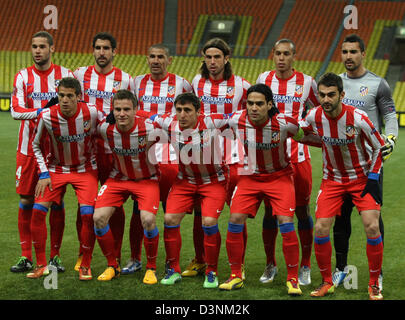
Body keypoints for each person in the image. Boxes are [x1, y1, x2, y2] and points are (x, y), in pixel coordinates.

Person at [299, 72, 385, 300]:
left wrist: (374, 177)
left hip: (361, 179)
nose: (326, 99)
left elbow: (379, 146)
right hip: (332, 180)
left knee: (372, 227)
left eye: (331, 95)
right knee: (320, 228)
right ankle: (327, 281)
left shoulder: (357, 117)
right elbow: (300, 132)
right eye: (322, 95)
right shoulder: (314, 116)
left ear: (342, 95)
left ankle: (374, 282)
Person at [218, 83, 304, 296]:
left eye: (259, 104)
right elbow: (212, 125)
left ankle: (293, 279)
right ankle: (236, 275)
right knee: (235, 220)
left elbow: (307, 136)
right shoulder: (237, 119)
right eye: (250, 103)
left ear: (269, 105)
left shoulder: (284, 124)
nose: (254, 108)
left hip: (279, 177)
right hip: (251, 177)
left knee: (286, 223)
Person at [332, 34, 398, 289]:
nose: (348, 56)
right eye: (345, 51)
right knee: (340, 218)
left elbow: (390, 116)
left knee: (373, 219)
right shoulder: (335, 83)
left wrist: (390, 138)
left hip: (369, 164)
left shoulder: (378, 84)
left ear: (363, 54)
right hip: (339, 164)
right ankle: (340, 269)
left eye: (353, 52)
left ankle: (376, 273)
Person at [121, 44, 192, 275]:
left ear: (169, 60)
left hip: (171, 155)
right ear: (147, 58)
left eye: (161, 56)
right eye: (152, 56)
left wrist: (153, 117)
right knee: (138, 210)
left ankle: (172, 262)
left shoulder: (181, 83)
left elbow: (185, 116)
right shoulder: (136, 82)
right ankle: (135, 257)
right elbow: (131, 111)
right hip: (144, 154)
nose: (156, 60)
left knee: (170, 211)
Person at [256, 39, 319, 285]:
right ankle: (270, 264)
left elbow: (317, 109)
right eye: (277, 53)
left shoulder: (307, 82)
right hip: (271, 156)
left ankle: (304, 265)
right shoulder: (264, 77)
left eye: (286, 54)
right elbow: (255, 107)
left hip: (299, 154)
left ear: (294, 56)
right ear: (273, 55)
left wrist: (306, 127)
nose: (281, 58)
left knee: (302, 211)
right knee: (270, 212)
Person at [10, 31, 73, 274]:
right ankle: (26, 256)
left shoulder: (65, 75)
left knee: (55, 202)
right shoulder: (23, 76)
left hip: (56, 150)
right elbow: (16, 111)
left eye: (42, 46)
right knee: (26, 199)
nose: (38, 50)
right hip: (27, 150)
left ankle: (55, 256)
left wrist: (49, 111)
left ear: (52, 49)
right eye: (34, 46)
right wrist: (42, 111)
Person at [28, 77, 103, 280]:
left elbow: (105, 132)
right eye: (61, 95)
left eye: (70, 96)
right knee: (37, 211)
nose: (65, 100)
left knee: (88, 215)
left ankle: (85, 264)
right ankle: (42, 264)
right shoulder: (46, 116)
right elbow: (35, 145)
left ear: (79, 97)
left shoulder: (92, 112)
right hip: (56, 169)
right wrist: (44, 173)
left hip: (85, 169)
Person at [188, 38, 251, 278]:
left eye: (217, 57)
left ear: (227, 58)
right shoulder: (196, 82)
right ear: (203, 58)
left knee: (237, 211)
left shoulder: (242, 86)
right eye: (208, 56)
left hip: (234, 156)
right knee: (199, 209)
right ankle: (200, 259)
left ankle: (239, 264)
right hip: (203, 154)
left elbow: (252, 114)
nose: (212, 62)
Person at [151, 92, 227, 288]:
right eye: (179, 110)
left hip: (213, 181)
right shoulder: (169, 123)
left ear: (198, 112)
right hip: (184, 181)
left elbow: (236, 118)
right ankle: (173, 269)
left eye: (187, 110)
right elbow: (148, 116)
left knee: (209, 221)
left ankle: (211, 271)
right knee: (169, 219)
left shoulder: (212, 122)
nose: (182, 114)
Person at [74, 32, 134, 270]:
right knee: (85, 205)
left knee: (115, 204)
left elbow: (131, 113)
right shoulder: (79, 74)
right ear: (93, 50)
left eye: (106, 48)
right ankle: (82, 253)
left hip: (112, 151)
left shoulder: (125, 79)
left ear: (114, 52)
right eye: (98, 48)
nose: (101, 52)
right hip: (86, 150)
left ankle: (116, 255)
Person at [93, 89, 160, 284]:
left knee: (148, 220)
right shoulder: (105, 129)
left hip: (147, 179)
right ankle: (112, 265)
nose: (121, 114)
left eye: (127, 109)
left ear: (136, 110)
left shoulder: (150, 127)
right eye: (118, 109)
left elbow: (174, 129)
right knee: (98, 218)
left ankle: (151, 267)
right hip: (119, 178)